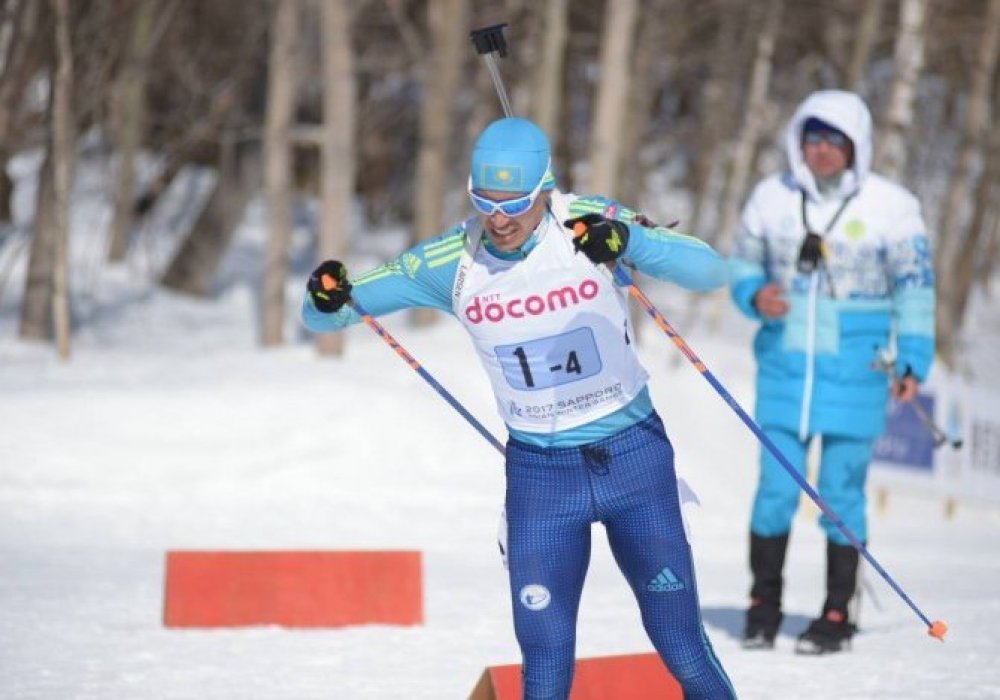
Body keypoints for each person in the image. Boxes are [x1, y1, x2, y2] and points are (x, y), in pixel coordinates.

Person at [302, 117, 736, 699]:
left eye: (516, 202)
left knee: (680, 642)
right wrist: (324, 292)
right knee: (546, 663)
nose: (499, 218)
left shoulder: (589, 221)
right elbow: (328, 314)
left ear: (546, 188)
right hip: (541, 479)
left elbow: (711, 271)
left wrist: (631, 241)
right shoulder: (453, 261)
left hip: (634, 460)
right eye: (484, 200)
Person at [728, 90, 935, 654]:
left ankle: (837, 611)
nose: (821, 152)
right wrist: (753, 293)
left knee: (841, 493)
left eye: (834, 141)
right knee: (775, 490)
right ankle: (762, 605)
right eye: (812, 139)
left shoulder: (892, 206)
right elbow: (743, 264)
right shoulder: (772, 197)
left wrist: (914, 358)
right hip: (784, 371)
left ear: (856, 146)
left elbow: (916, 290)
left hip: (858, 373)